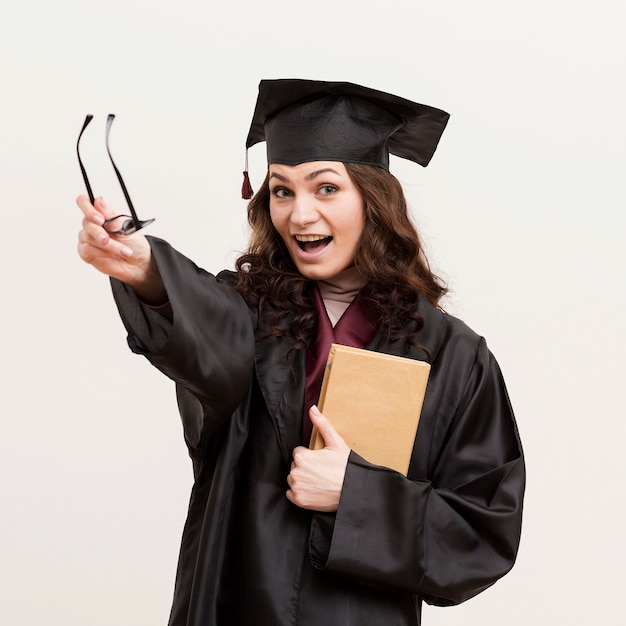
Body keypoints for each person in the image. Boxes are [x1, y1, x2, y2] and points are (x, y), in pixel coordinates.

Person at [76, 79, 525, 626]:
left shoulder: (451, 354)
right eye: (282, 190)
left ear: (373, 197)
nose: (299, 214)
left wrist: (355, 495)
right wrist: (146, 269)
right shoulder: (249, 315)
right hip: (232, 604)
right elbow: (203, 328)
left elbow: (482, 535)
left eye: (326, 188)